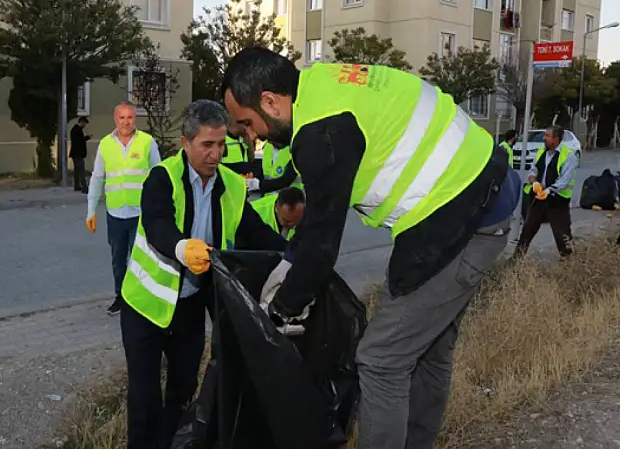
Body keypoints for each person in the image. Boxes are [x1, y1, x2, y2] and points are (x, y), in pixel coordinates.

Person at [221, 48, 519, 449]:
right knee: (428, 348)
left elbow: (324, 244)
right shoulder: (321, 86)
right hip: (482, 193)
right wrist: (290, 261)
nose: (251, 136)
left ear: (270, 101)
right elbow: (321, 208)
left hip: (462, 215)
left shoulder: (319, 131)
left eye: (247, 124)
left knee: (381, 359)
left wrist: (282, 308)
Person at [119, 99, 287, 449]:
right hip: (146, 307)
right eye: (207, 145)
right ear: (186, 143)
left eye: (221, 144)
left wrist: (298, 257)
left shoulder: (231, 185)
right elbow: (157, 225)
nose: (216, 154)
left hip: (190, 308)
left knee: (182, 392)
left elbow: (255, 233)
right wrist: (182, 248)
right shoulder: (162, 177)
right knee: (144, 399)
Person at [86, 102, 161, 315]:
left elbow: (159, 176)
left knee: (142, 259)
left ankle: (142, 298)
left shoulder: (147, 142)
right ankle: (121, 297)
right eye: (122, 118)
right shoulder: (106, 144)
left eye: (130, 117)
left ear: (134, 119)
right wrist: (91, 211)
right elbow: (98, 177)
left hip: (140, 213)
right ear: (115, 119)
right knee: (118, 260)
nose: (126, 122)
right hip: (116, 214)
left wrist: (158, 208)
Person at [513, 125, 577, 258]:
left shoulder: (568, 156)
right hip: (538, 198)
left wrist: (548, 191)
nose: (544, 139)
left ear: (556, 139)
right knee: (528, 229)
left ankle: (569, 261)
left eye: (547, 136)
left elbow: (564, 180)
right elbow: (533, 169)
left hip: (557, 200)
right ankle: (516, 260)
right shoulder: (542, 151)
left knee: (562, 233)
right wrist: (533, 179)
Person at [70, 116, 91, 193]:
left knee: (77, 170)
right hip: (77, 154)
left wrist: (86, 138)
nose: (85, 126)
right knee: (81, 170)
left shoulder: (75, 130)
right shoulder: (77, 130)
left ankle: (77, 185)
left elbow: (79, 140)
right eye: (84, 124)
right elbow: (79, 142)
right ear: (81, 122)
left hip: (75, 153)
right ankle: (84, 187)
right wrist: (86, 138)